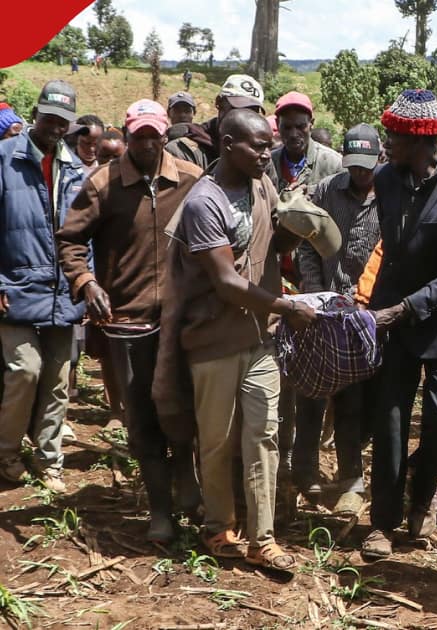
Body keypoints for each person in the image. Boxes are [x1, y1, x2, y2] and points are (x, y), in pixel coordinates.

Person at [164, 108, 316, 571]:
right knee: (216, 439)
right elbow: (227, 282)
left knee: (263, 435)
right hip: (213, 339)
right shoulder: (203, 203)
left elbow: (271, 247)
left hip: (259, 338)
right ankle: (219, 526)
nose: (267, 154)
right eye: (258, 146)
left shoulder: (261, 185)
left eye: (269, 145)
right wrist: (287, 306)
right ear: (228, 145)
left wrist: (297, 228)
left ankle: (262, 537)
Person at [57, 99, 204, 541]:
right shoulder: (103, 184)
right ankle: (160, 511)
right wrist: (85, 281)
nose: (147, 144)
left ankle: (187, 482)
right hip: (127, 321)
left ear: (165, 135)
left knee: (182, 409)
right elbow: (70, 240)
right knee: (141, 417)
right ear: (127, 135)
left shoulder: (191, 179)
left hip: (182, 319)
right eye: (139, 136)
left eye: (154, 136)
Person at [359, 90, 437, 557]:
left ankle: (422, 493)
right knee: (388, 422)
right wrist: (377, 308)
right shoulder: (386, 178)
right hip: (394, 322)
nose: (386, 141)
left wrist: (407, 307)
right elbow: (391, 250)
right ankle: (382, 523)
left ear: (423, 141)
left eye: (395, 135)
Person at [290, 123, 382, 517]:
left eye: (367, 166)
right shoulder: (327, 191)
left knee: (352, 402)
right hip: (323, 310)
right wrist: (315, 293)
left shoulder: (391, 194)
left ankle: (351, 481)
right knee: (310, 393)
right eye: (354, 165)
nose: (360, 173)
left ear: (380, 157)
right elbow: (307, 245)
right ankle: (303, 472)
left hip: (367, 315)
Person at [0, 80, 85, 492]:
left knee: (57, 376)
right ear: (35, 114)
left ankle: (49, 458)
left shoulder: (76, 169)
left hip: (62, 292)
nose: (55, 127)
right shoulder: (5, 159)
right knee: (25, 370)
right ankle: (7, 452)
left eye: (63, 121)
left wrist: (86, 283)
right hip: (14, 286)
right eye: (49, 118)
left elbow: (86, 236)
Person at [269, 91, 344, 513]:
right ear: (278, 127)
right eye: (287, 126)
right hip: (273, 286)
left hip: (314, 285)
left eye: (301, 126)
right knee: (278, 379)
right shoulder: (266, 163)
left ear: (311, 125)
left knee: (312, 382)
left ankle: (306, 465)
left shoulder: (331, 164)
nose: (294, 133)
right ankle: (281, 464)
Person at [166, 74, 266, 172]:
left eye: (252, 113)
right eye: (238, 110)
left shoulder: (261, 156)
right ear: (219, 103)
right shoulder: (184, 150)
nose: (245, 119)